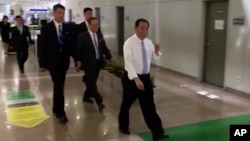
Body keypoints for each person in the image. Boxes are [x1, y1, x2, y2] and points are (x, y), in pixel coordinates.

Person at [118, 18, 169, 141]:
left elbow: (154, 59)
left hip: (145, 78)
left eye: (146, 29)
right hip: (131, 78)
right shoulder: (129, 43)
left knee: (150, 106)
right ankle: (123, 126)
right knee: (127, 104)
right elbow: (128, 63)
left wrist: (156, 51)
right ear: (135, 28)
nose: (144, 31)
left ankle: (158, 133)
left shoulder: (148, 43)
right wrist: (136, 79)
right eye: (142, 28)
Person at [38, 4, 80, 124]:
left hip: (64, 62)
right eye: (59, 13)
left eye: (63, 13)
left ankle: (56, 108)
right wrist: (42, 64)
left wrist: (77, 59)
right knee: (59, 86)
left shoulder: (67, 28)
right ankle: (61, 112)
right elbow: (42, 47)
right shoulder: (46, 28)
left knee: (59, 87)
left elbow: (72, 46)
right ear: (54, 13)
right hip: (52, 63)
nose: (61, 16)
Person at [77, 17, 113, 112]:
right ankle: (99, 101)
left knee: (91, 82)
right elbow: (78, 51)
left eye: (97, 25)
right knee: (92, 84)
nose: (96, 27)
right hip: (88, 64)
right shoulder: (82, 36)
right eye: (94, 25)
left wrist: (109, 57)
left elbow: (104, 48)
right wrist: (78, 61)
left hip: (98, 63)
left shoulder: (99, 35)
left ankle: (86, 97)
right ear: (89, 25)